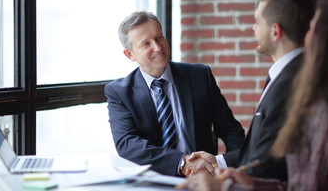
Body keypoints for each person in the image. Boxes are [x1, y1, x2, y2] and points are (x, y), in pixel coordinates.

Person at [177, 0, 328, 191]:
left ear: (275, 31)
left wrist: (225, 186)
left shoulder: (303, 85)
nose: (253, 27)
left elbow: (275, 165)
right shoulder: (287, 75)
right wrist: (222, 163)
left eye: (257, 21)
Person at [104, 11, 245, 176]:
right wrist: (183, 162)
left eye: (158, 38)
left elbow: (230, 129)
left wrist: (235, 168)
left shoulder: (199, 76)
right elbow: (127, 144)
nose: (157, 48)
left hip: (204, 178)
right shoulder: (119, 92)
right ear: (130, 54)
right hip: (153, 181)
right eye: (146, 44)